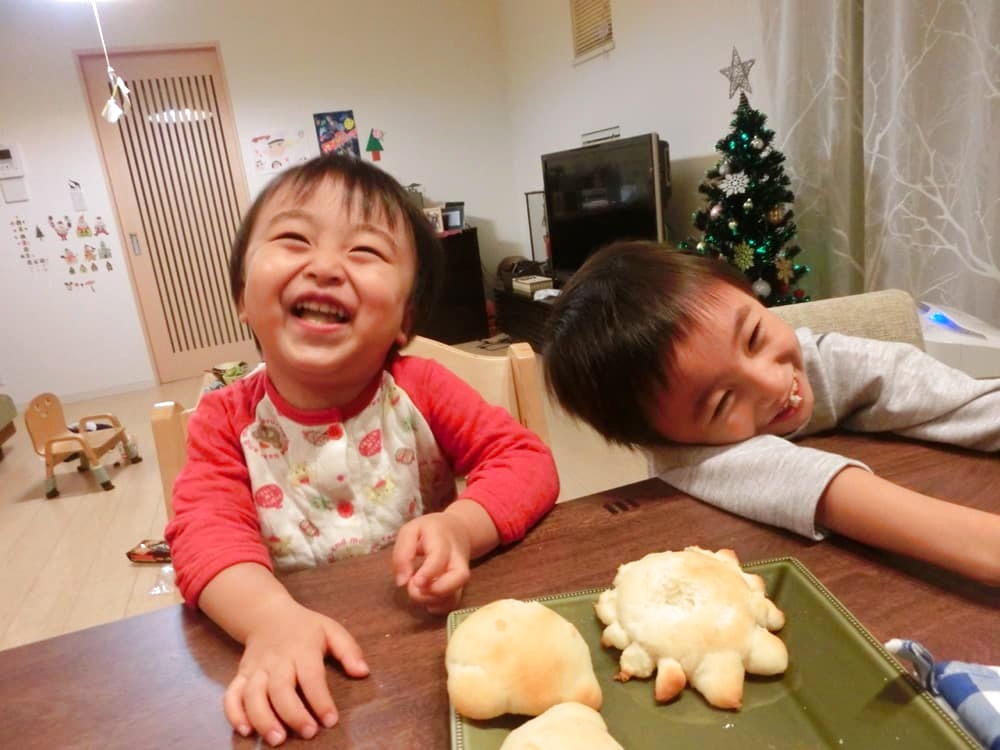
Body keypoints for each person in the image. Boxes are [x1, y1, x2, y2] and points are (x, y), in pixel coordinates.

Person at [165, 154, 559, 747]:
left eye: (365, 252)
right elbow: (204, 534)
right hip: (298, 677)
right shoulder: (225, 420)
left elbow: (526, 462)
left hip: (430, 659)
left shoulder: (420, 388)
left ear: (405, 318)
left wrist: (459, 528)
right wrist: (268, 621)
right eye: (294, 239)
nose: (324, 266)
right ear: (243, 298)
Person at [544, 240, 1000, 587]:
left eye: (755, 337)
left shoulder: (810, 356)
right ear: (662, 437)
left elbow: (952, 396)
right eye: (722, 402)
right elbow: (837, 494)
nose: (772, 383)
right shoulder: (685, 456)